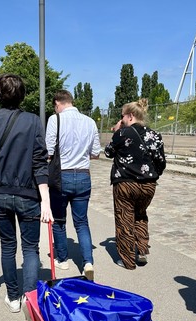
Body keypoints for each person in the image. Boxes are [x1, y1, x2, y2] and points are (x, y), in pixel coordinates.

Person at [0, 73, 53, 313]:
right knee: (30, 248)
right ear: (22, 94)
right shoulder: (34, 121)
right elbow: (40, 162)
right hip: (29, 195)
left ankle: (13, 297)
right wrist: (45, 201)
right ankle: (30, 301)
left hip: (0, 194)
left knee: (8, 246)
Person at [104, 98, 166, 270]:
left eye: (122, 116)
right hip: (148, 185)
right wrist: (152, 177)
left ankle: (127, 260)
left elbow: (108, 152)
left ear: (130, 116)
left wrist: (116, 131)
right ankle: (141, 250)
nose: (121, 120)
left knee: (124, 218)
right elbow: (161, 161)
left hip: (125, 183)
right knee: (140, 215)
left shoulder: (122, 133)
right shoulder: (154, 134)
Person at [45, 90, 100, 280]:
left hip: (62, 176)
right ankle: (87, 262)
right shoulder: (90, 121)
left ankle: (62, 259)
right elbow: (96, 153)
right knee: (82, 221)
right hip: (84, 175)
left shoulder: (55, 119)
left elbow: (49, 151)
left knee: (59, 221)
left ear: (58, 103)